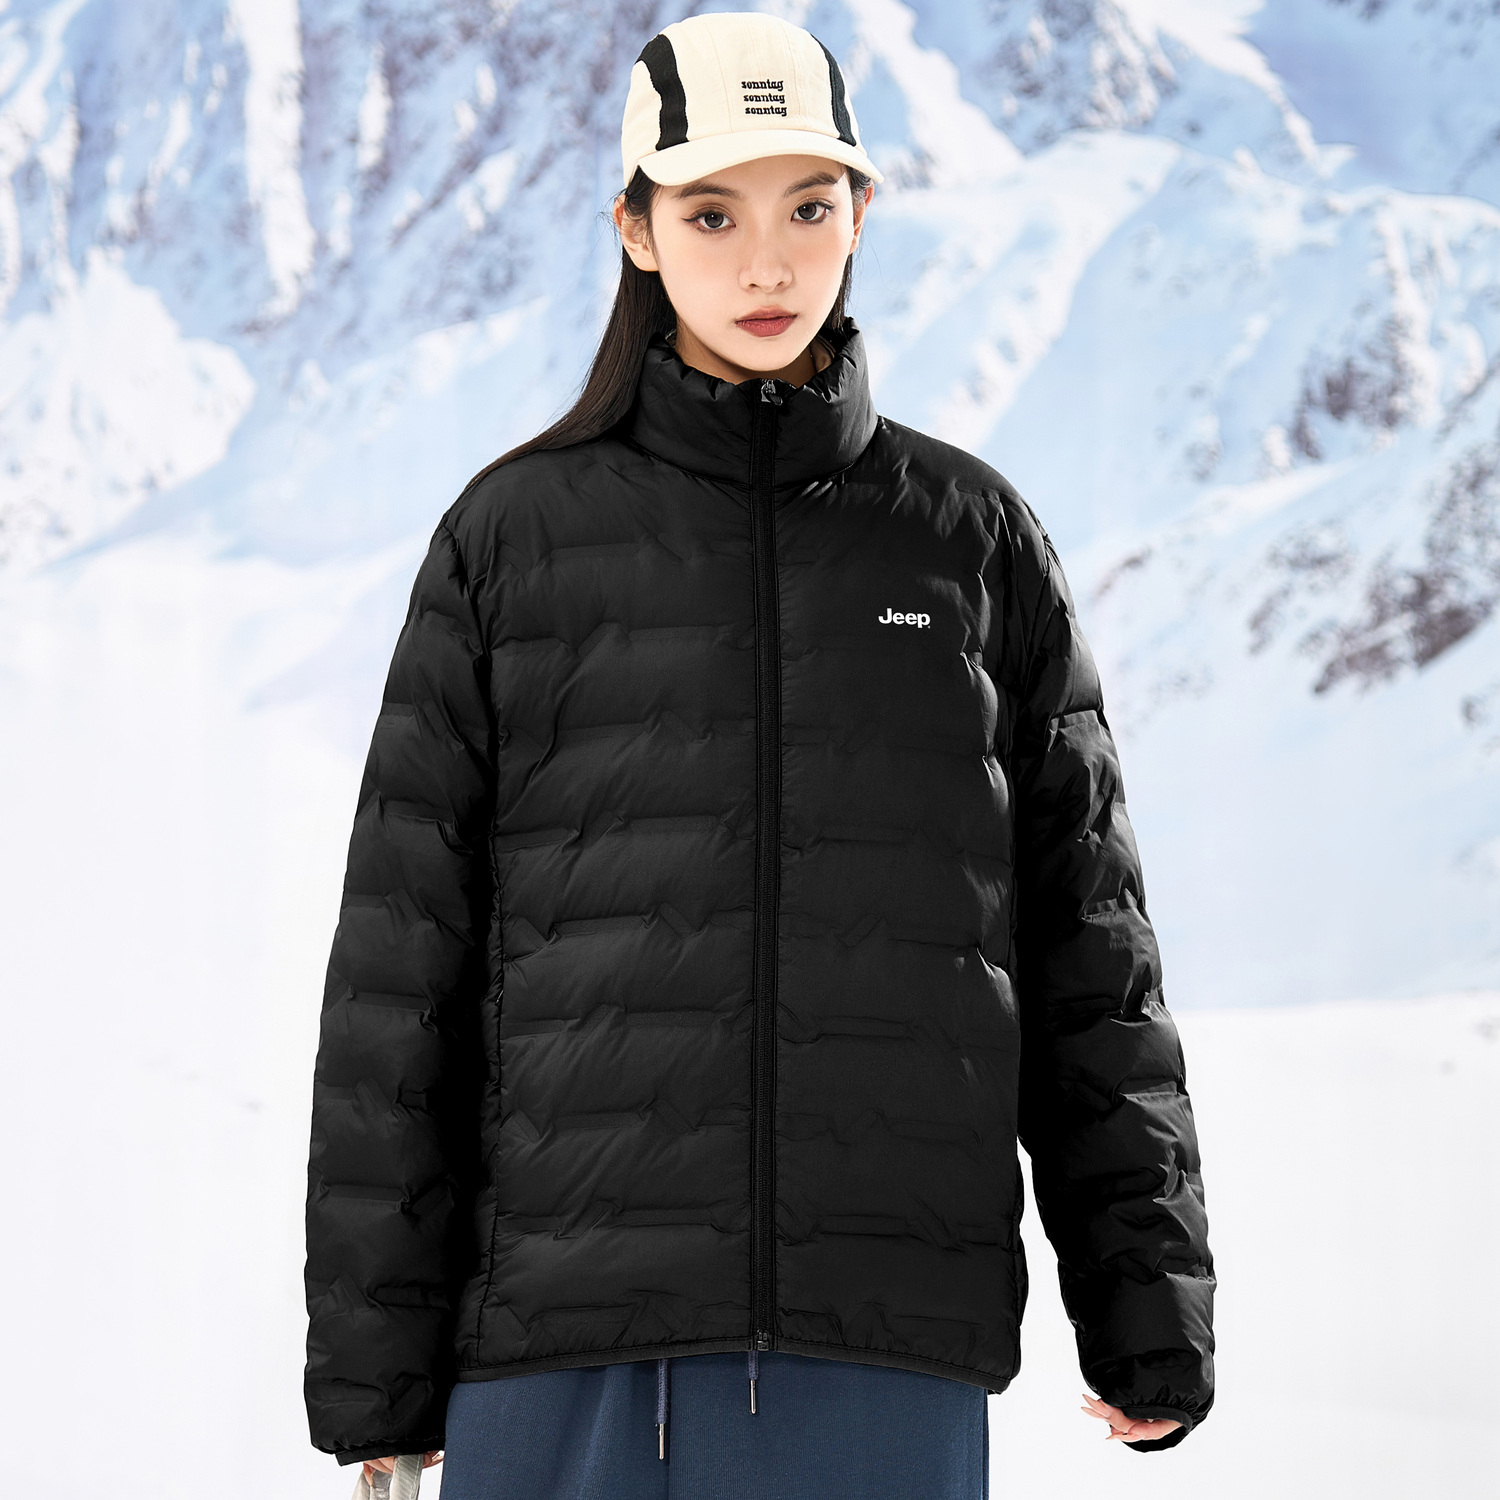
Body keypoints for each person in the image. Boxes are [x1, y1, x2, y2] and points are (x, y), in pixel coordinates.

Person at [302, 12, 1215, 1498]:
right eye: (713, 214)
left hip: (881, 1349)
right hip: (564, 1354)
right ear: (637, 230)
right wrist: (376, 1375)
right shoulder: (511, 541)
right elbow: (403, 977)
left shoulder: (970, 542)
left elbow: (1085, 950)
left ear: (863, 213)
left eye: (809, 207)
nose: (769, 264)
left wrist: (1144, 1309)